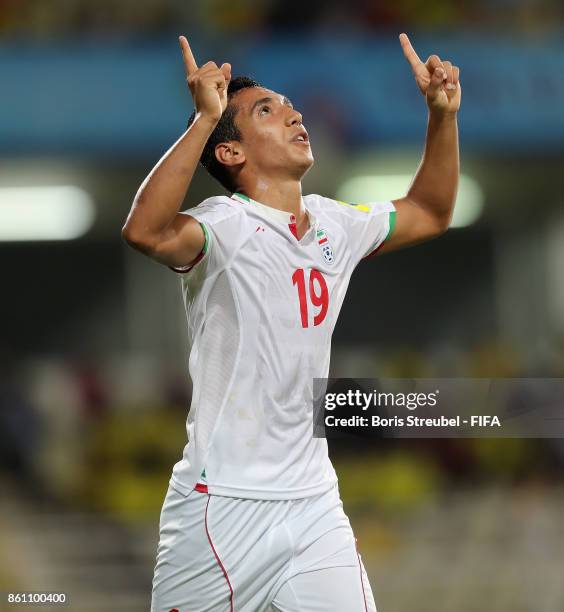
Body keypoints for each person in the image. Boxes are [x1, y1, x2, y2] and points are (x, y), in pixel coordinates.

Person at [122, 32, 460, 612]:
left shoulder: (335, 223)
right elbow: (145, 231)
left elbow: (430, 211)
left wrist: (441, 117)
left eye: (289, 105)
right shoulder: (221, 226)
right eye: (267, 110)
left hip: (313, 501)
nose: (293, 112)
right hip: (221, 505)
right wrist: (204, 120)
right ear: (231, 153)